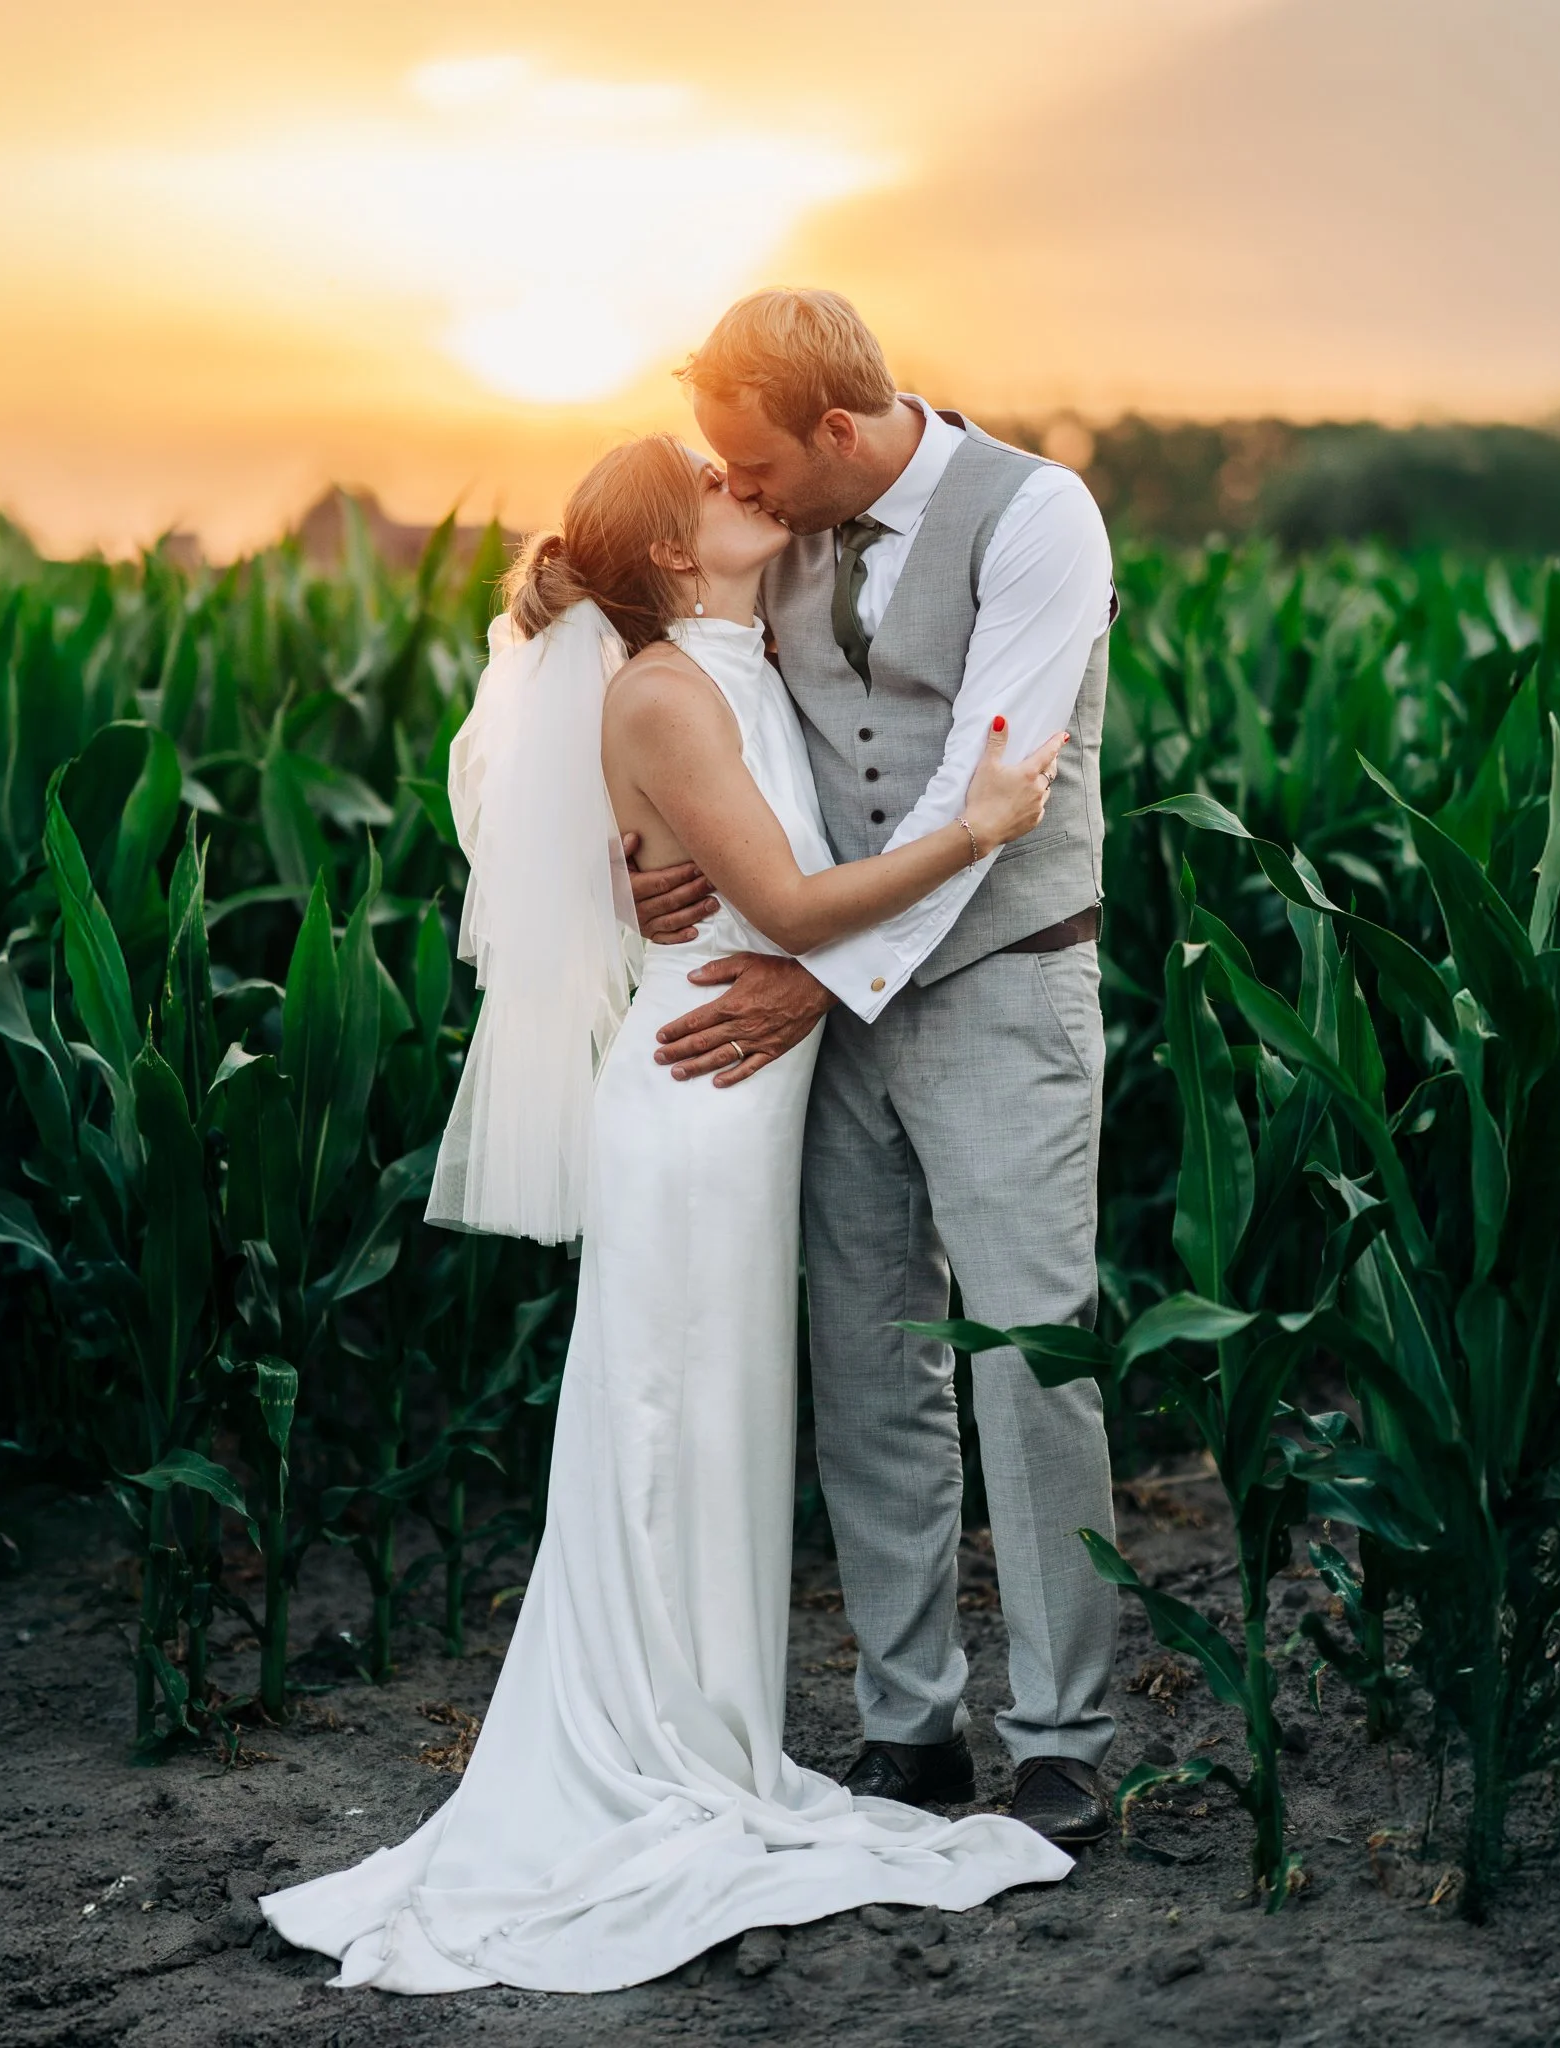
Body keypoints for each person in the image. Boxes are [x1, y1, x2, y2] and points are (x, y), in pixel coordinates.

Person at [259, 433, 1073, 1995]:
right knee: (664, 1430)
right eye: (713, 483)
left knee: (710, 1434)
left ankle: (707, 1730)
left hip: (748, 1103)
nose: (745, 486)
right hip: (697, 1101)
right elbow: (782, 907)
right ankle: (651, 1751)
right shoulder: (661, 690)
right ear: (662, 551)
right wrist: (979, 823)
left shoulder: (731, 654)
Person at [632, 289, 1118, 1849]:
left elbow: (996, 791)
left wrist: (806, 972)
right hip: (821, 1012)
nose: (740, 491)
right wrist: (644, 862)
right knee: (865, 1364)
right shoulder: (779, 531)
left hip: (997, 989)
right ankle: (908, 1729)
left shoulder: (1038, 518)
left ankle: (1061, 1738)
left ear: (837, 431)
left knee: (1026, 1359)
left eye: (756, 462)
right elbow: (695, 704)